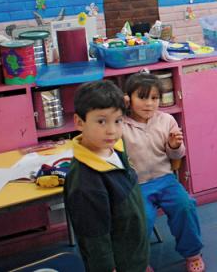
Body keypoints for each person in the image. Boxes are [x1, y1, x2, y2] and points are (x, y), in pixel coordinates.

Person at [121, 73, 205, 272]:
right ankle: (139, 262)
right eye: (142, 97)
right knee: (141, 218)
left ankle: (193, 253)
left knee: (186, 206)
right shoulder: (119, 124)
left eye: (154, 98)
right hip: (137, 185)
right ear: (128, 99)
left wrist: (173, 145)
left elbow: (177, 155)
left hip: (166, 180)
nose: (149, 103)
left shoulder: (166, 120)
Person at [64, 80, 150, 272]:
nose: (111, 130)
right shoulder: (85, 183)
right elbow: (94, 237)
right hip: (118, 264)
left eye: (118, 121)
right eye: (101, 121)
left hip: (133, 251)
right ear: (79, 122)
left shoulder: (115, 147)